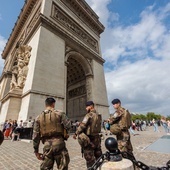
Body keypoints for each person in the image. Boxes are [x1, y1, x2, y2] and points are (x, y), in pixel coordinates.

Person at [32, 97, 71, 170]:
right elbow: (68, 125)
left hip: (47, 145)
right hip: (59, 144)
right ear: (53, 104)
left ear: (45, 105)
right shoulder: (60, 113)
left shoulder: (38, 117)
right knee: (63, 167)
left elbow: (35, 136)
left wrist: (36, 151)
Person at [73, 101, 102, 168]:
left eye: (87, 106)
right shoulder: (99, 114)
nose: (86, 108)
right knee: (99, 157)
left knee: (90, 160)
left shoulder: (89, 115)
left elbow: (83, 126)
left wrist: (76, 133)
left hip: (89, 139)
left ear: (91, 106)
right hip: (97, 138)